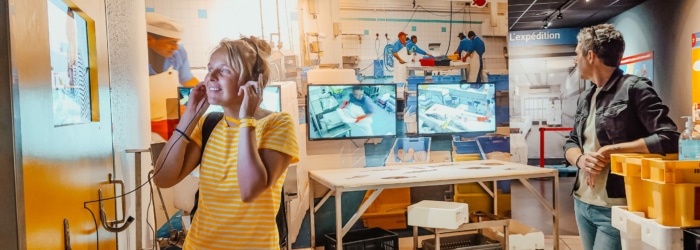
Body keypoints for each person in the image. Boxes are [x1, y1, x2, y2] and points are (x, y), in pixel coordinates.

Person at [154, 36, 299, 249]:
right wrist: (190, 115)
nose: (210, 77)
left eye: (223, 71)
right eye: (210, 68)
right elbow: (162, 179)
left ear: (252, 81)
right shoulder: (208, 125)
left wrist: (246, 119)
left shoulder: (278, 124)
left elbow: (250, 191)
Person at [563, 24, 678, 250]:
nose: (575, 60)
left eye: (577, 54)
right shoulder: (586, 96)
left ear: (590, 55)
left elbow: (669, 138)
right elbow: (572, 141)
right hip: (582, 202)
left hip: (617, 206)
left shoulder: (635, 89)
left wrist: (614, 150)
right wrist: (580, 160)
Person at [146, 12, 198, 87]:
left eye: (176, 42)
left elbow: (187, 80)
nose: (175, 47)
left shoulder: (179, 52)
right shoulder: (136, 57)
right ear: (149, 40)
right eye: (171, 42)